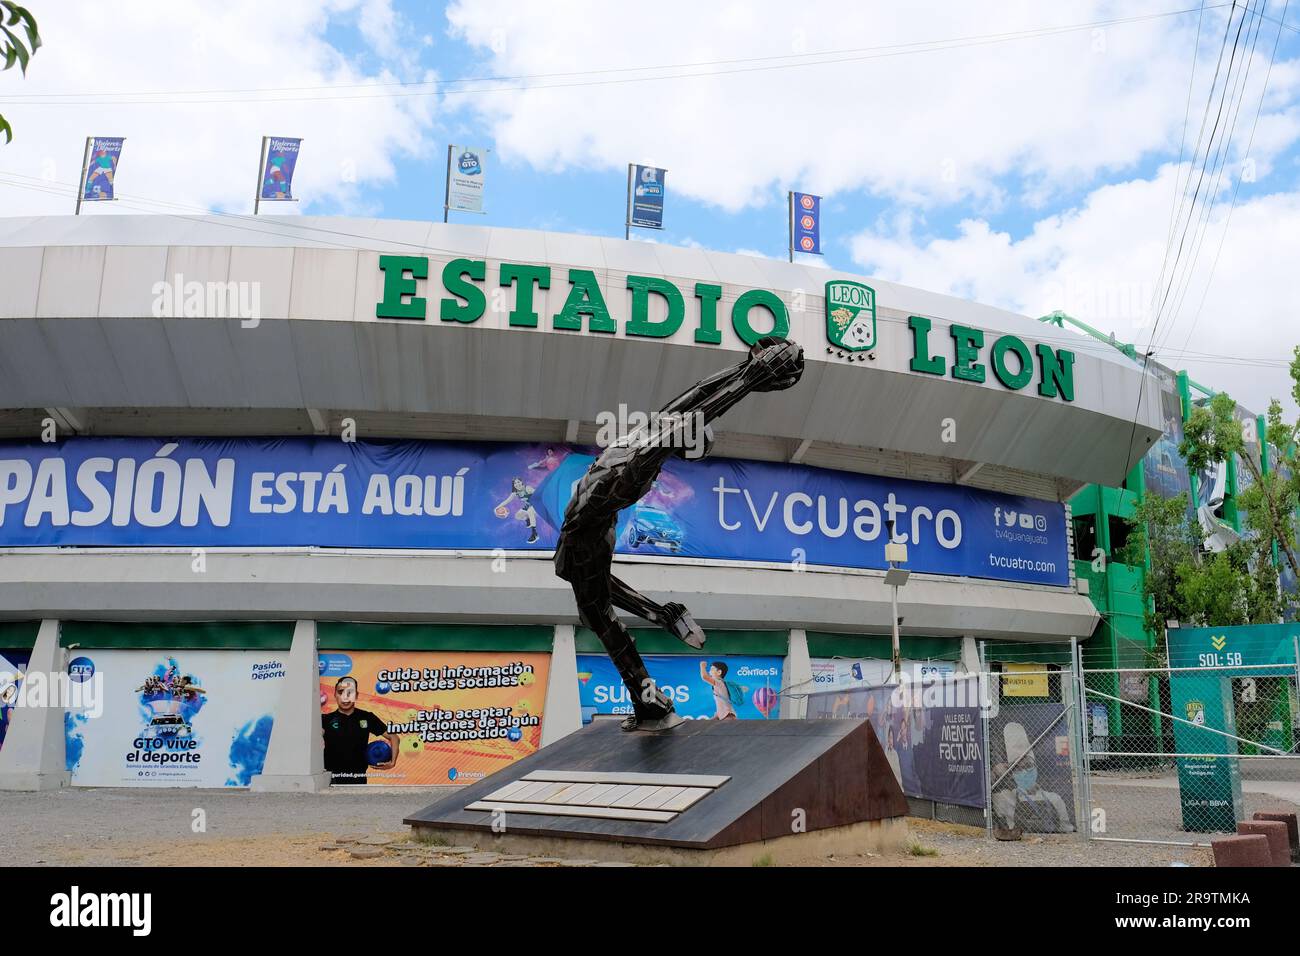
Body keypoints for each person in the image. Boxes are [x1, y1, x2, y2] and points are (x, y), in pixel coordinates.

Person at [321, 677, 399, 786]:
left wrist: (392, 762)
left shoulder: (367, 717)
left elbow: (394, 737)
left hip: (358, 778)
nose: (345, 697)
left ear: (356, 695)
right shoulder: (325, 719)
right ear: (335, 695)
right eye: (341, 692)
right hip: (331, 779)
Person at [496, 477, 540, 544]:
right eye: (515, 483)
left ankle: (535, 534)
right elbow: (507, 501)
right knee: (517, 516)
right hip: (528, 506)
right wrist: (497, 508)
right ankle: (528, 519)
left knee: (530, 511)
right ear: (513, 485)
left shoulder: (527, 488)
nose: (517, 484)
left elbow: (538, 495)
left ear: (521, 482)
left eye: (518, 482)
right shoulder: (515, 493)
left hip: (536, 505)